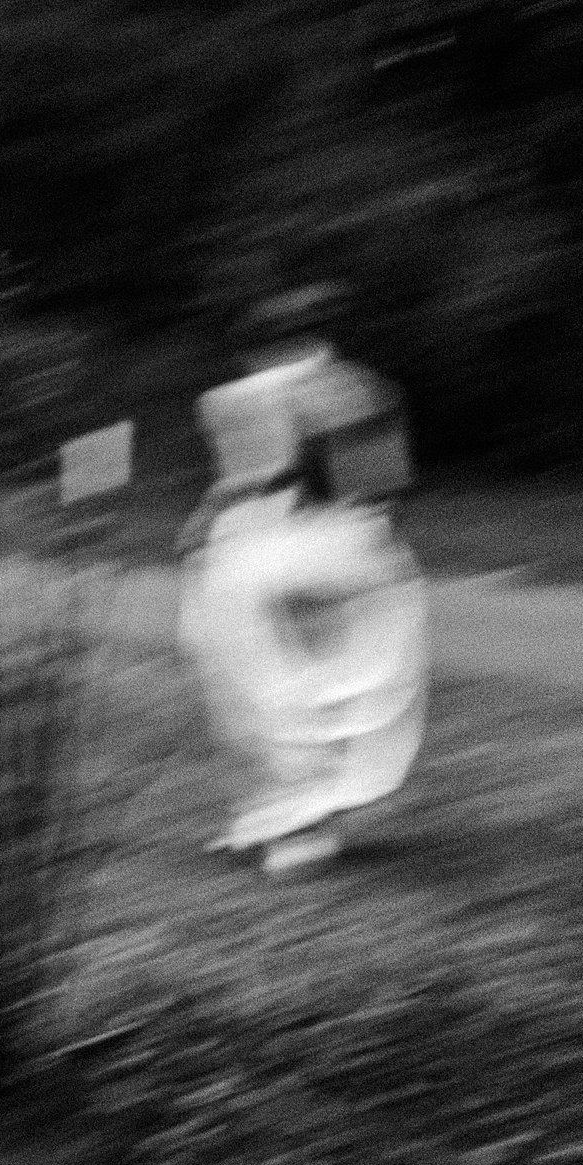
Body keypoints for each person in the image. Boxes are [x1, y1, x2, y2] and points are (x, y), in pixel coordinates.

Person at [174, 283, 428, 877]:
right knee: (323, 686)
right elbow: (386, 491)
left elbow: (251, 486)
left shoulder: (245, 398)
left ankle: (298, 821)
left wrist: (207, 536)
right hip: (336, 552)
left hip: (285, 555)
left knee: (270, 683)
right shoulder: (363, 391)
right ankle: (288, 815)